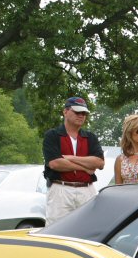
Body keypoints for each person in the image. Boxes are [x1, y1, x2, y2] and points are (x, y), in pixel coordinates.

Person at [42, 96, 105, 224]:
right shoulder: (52, 135)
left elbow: (99, 163)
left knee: (89, 228)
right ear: (65, 112)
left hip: (87, 190)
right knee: (56, 231)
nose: (81, 115)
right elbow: (55, 163)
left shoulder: (90, 137)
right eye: (77, 112)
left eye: (84, 113)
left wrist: (71, 158)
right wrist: (85, 167)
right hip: (60, 189)